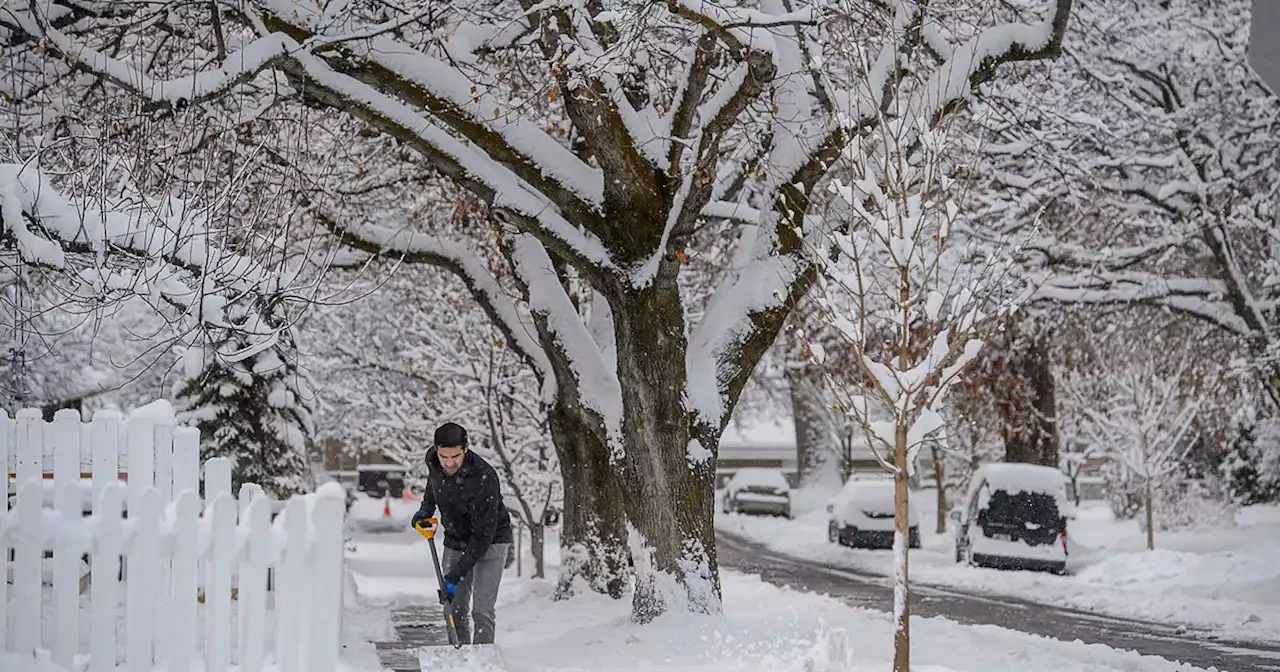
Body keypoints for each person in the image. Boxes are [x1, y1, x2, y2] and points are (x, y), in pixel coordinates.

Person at [411, 422, 513, 645]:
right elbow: (434, 484)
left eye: (455, 456)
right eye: (443, 456)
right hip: (456, 538)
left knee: (482, 611)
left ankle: (481, 662)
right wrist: (426, 509)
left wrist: (455, 576)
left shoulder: (484, 477)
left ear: (465, 449)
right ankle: (461, 659)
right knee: (453, 608)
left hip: (492, 540)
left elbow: (482, 537)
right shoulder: (434, 461)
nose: (449, 463)